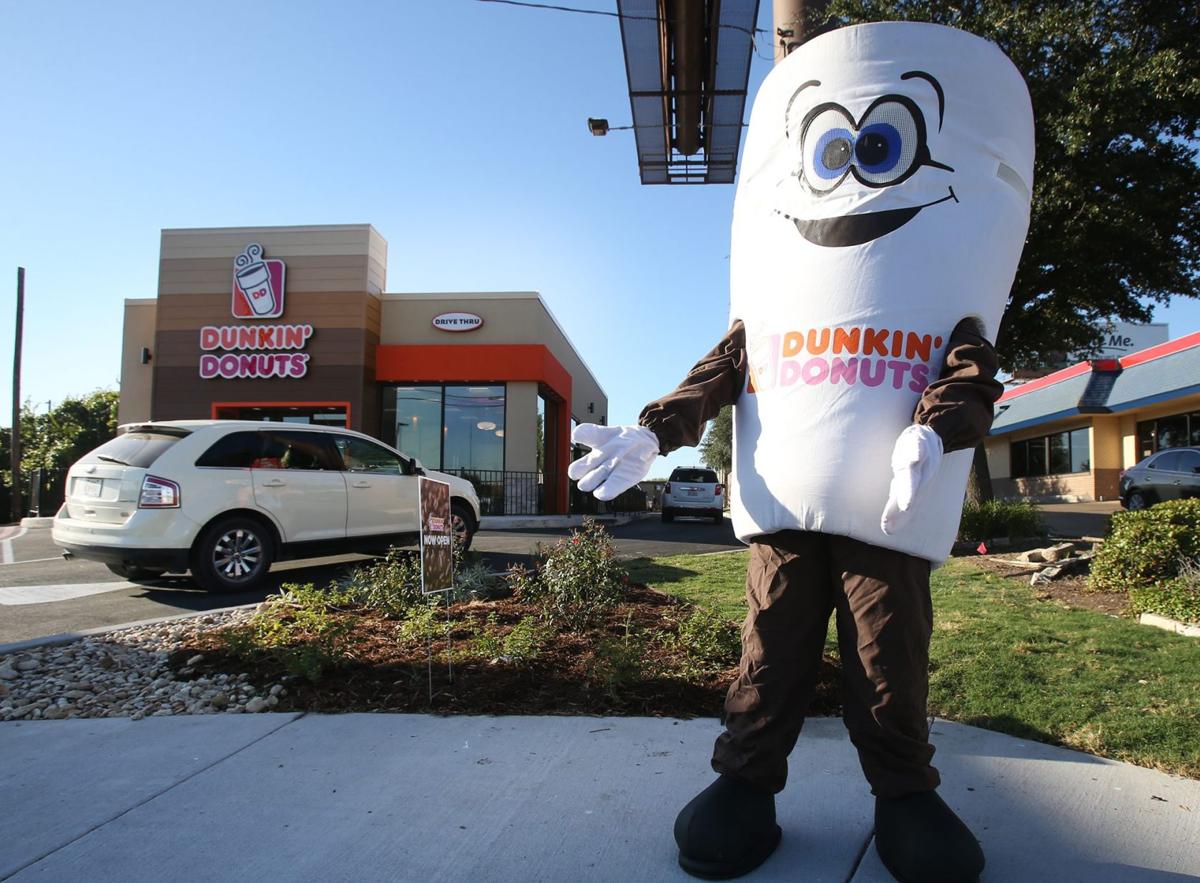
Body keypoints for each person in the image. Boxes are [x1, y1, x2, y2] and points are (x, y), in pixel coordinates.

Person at [569, 21, 1033, 883]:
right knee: (771, 649)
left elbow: (971, 375)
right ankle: (745, 783)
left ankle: (905, 794)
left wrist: (932, 432)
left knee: (887, 656)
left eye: (879, 147)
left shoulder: (945, 289)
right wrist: (652, 432)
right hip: (784, 498)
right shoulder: (773, 296)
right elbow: (721, 370)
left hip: (887, 507)